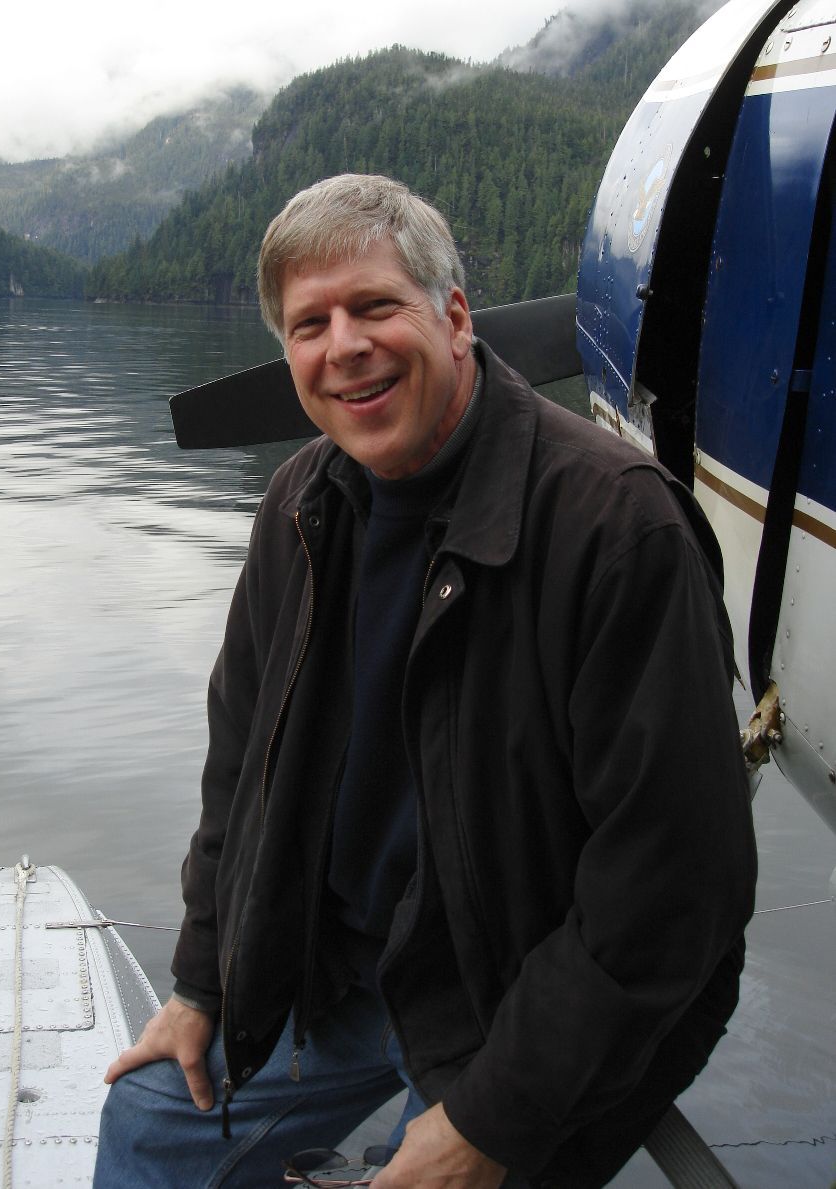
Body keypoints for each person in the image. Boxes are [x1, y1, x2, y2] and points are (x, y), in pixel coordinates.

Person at [94, 174, 757, 1188]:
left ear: (453, 317)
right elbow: (239, 775)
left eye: (374, 306)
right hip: (344, 968)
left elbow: (675, 888)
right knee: (148, 1124)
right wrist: (198, 984)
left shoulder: (616, 527)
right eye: (309, 324)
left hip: (516, 993)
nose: (344, 346)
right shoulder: (299, 506)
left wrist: (491, 1121)